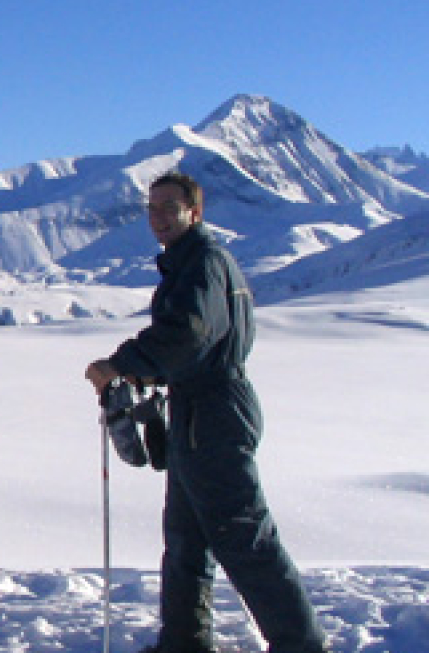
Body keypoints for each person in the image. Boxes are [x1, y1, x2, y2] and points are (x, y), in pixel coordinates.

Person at [84, 173, 327, 653]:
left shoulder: (201, 266)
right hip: (200, 408)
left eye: (169, 208)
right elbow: (197, 342)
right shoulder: (199, 263)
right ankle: (184, 643)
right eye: (152, 208)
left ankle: (303, 645)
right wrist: (150, 373)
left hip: (213, 412)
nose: (158, 218)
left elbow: (187, 335)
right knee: (186, 541)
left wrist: (120, 365)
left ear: (194, 212)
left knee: (243, 538)